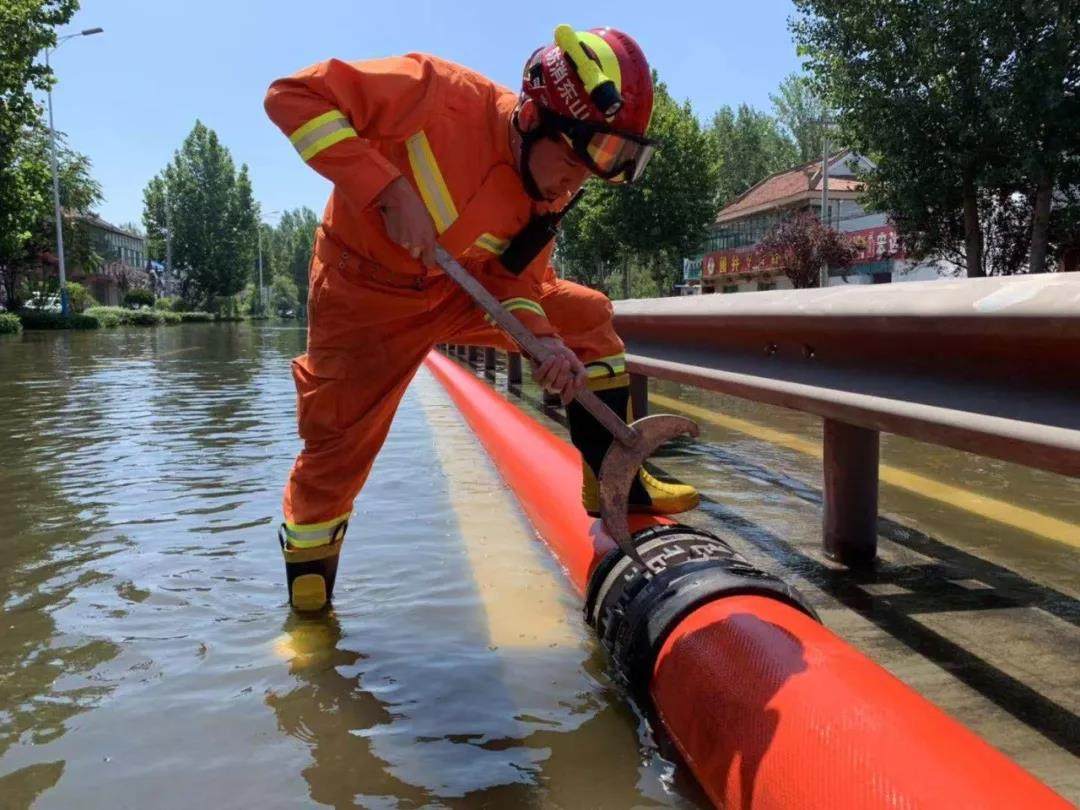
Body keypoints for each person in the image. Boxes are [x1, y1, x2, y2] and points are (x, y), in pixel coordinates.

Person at [264, 25, 699, 612]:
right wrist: (387, 188)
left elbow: (511, 279)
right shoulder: (433, 93)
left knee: (587, 318)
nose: (576, 183)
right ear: (533, 119)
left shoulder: (553, 188)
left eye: (593, 170)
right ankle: (311, 627)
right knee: (333, 456)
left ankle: (611, 483)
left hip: (457, 290)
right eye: (573, 159)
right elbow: (291, 97)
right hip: (362, 295)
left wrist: (544, 343)